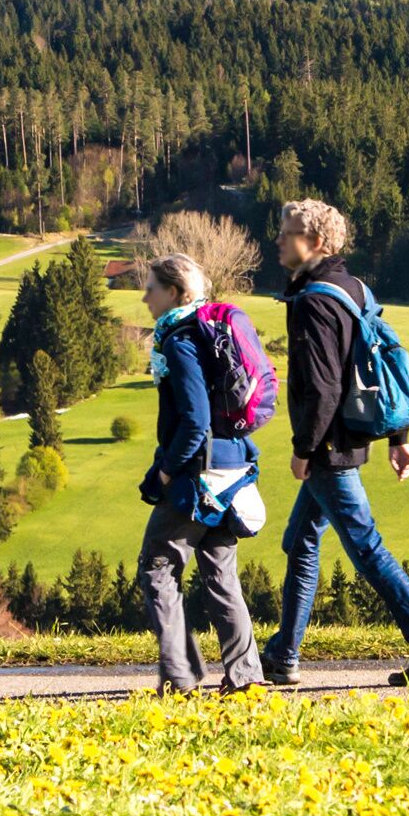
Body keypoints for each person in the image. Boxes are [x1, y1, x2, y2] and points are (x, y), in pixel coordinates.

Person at [265, 199, 409, 689]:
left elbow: (325, 387)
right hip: (348, 440)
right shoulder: (352, 287)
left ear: (316, 243)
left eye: (288, 233)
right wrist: (399, 436)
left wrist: (304, 449)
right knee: (302, 541)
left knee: (366, 547)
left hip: (329, 448)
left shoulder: (313, 301)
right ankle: (283, 655)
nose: (279, 240)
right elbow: (382, 359)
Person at [136, 253, 264, 695]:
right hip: (233, 467)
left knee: (157, 567)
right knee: (220, 573)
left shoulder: (180, 341)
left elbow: (195, 418)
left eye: (151, 287)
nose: (144, 296)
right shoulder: (212, 335)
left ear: (174, 292)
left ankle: (181, 676)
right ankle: (246, 676)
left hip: (198, 474)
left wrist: (168, 473)